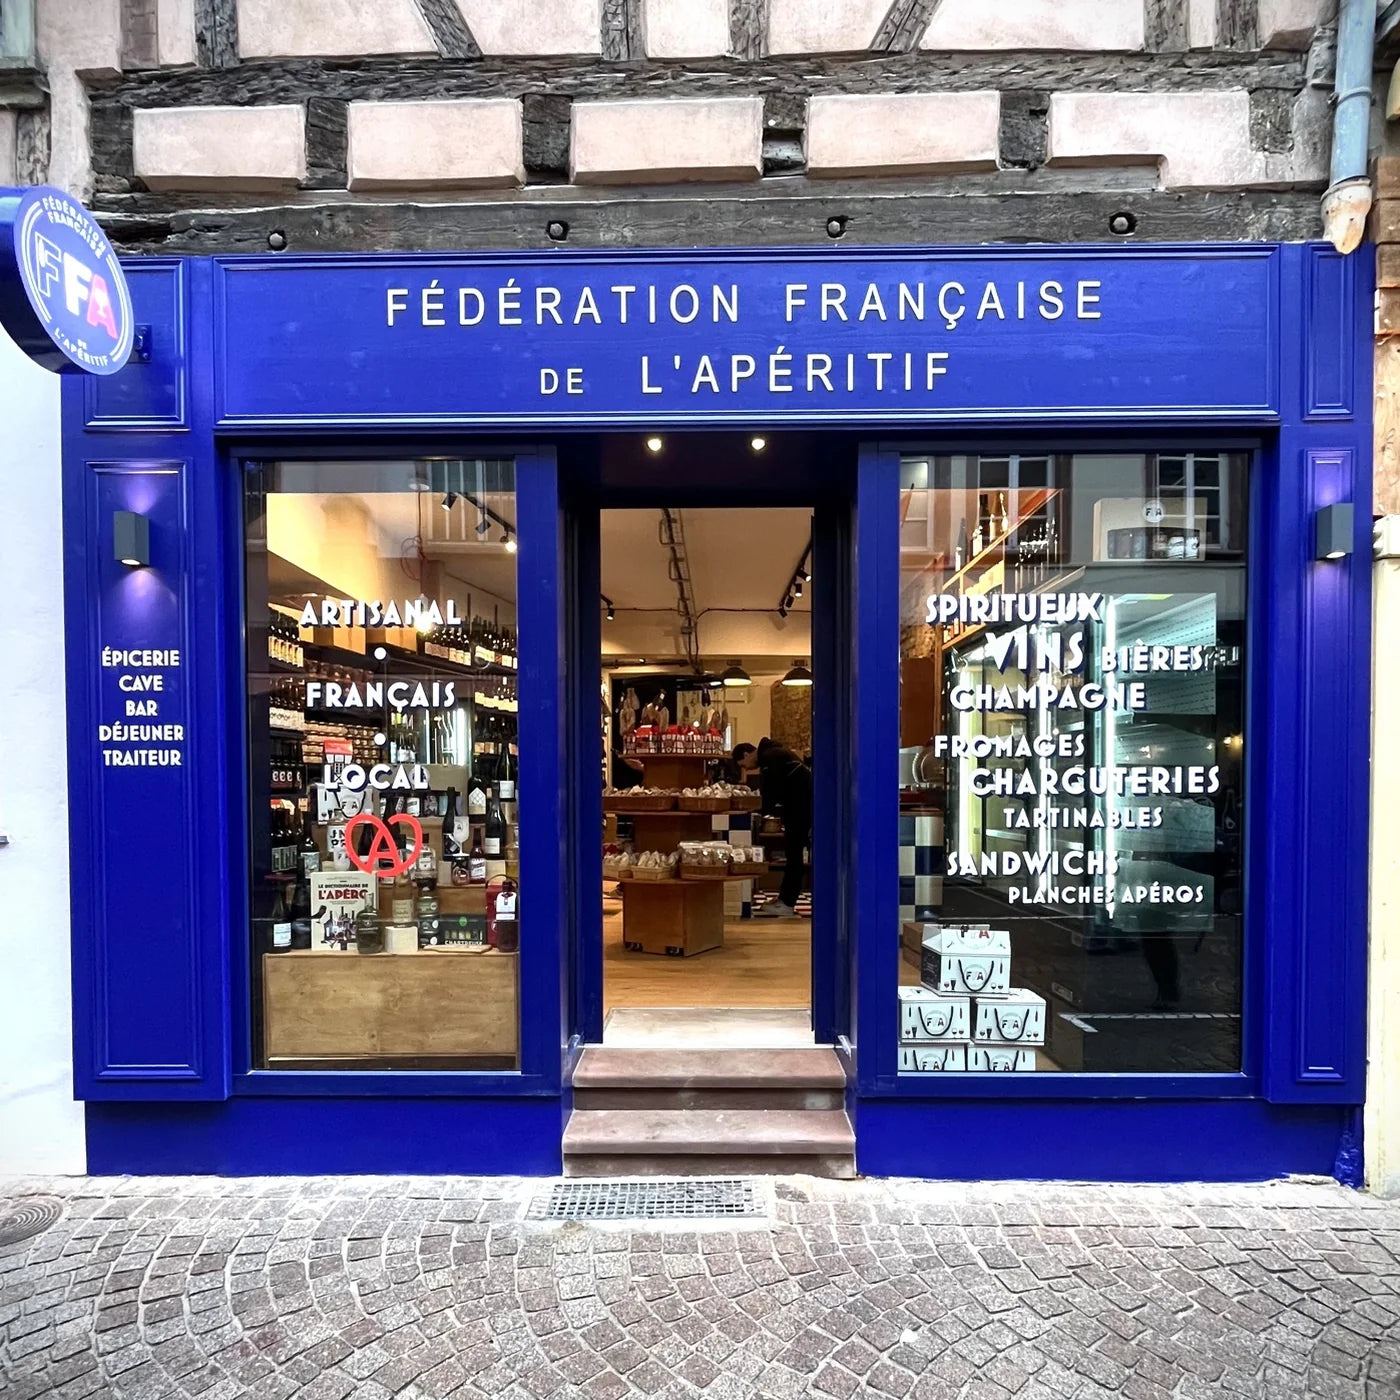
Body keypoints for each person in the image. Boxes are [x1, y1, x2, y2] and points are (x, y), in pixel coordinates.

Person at [746, 737, 811, 918]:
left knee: (794, 856)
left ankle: (787, 903)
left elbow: (771, 790)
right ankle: (784, 899)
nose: (747, 769)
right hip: (801, 807)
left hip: (800, 809)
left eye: (743, 765)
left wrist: (759, 807)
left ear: (746, 754)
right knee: (794, 855)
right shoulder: (777, 752)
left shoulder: (769, 756)